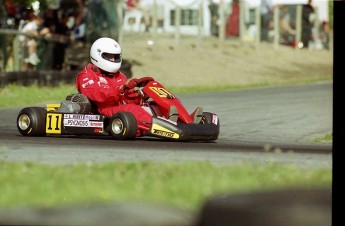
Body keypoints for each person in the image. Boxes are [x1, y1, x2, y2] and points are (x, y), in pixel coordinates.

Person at [75, 37, 155, 125]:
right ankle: (156, 125)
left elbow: (126, 99)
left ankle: (170, 120)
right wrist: (120, 89)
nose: (113, 60)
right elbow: (98, 95)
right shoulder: (86, 76)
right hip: (103, 110)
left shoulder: (118, 75)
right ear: (97, 55)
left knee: (152, 105)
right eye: (110, 57)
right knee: (132, 109)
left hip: (120, 109)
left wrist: (139, 95)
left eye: (115, 57)